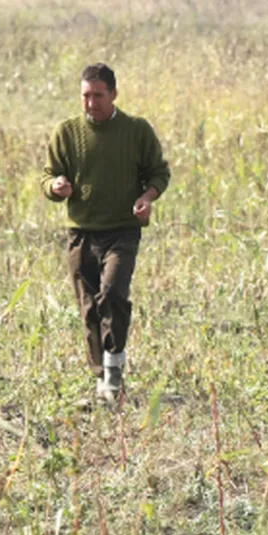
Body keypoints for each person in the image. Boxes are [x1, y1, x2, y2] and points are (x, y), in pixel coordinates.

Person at [41, 63, 171, 402]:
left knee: (112, 293)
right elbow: (48, 176)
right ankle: (103, 379)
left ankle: (113, 376)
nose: (91, 103)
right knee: (88, 308)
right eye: (85, 95)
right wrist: (56, 186)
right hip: (81, 233)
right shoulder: (66, 133)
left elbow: (158, 173)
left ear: (114, 94)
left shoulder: (137, 130)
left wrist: (147, 197)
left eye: (98, 95)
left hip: (123, 231)